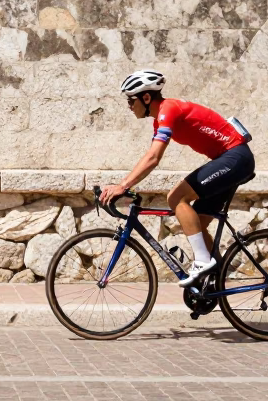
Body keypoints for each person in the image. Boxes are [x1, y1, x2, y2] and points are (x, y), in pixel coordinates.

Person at [98, 69, 254, 287]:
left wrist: (122, 185)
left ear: (146, 97)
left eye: (131, 100)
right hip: (231, 159)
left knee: (176, 198)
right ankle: (214, 280)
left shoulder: (168, 109)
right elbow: (149, 156)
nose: (129, 106)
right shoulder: (161, 119)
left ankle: (202, 262)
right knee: (196, 223)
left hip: (235, 157)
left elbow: (154, 157)